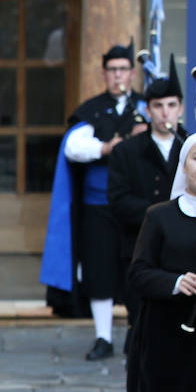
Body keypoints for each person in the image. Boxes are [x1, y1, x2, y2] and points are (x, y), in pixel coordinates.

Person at [42, 42, 149, 356]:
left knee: (135, 268)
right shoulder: (92, 110)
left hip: (135, 206)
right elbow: (74, 146)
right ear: (104, 74)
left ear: (132, 73)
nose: (118, 76)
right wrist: (107, 148)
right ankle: (104, 337)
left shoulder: (148, 107)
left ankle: (135, 332)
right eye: (112, 70)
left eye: (123, 70)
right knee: (99, 270)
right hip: (98, 206)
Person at [126, 134, 196, 392]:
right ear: (183, 167)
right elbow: (138, 274)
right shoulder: (160, 217)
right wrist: (175, 282)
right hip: (171, 344)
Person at [108, 57, 187, 302]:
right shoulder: (126, 151)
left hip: (185, 252)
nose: (165, 113)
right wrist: (161, 214)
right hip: (141, 250)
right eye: (158, 105)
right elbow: (118, 200)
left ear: (180, 108)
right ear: (147, 109)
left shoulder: (191, 147)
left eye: (171, 105)